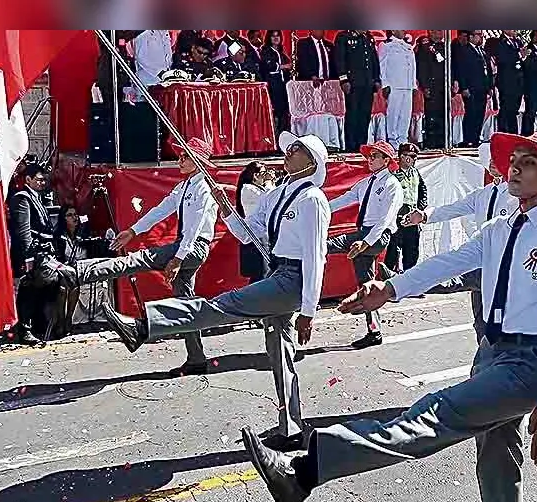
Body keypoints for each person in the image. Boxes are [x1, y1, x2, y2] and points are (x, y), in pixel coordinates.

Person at [242, 131, 537, 502]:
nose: (515, 167)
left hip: (531, 362)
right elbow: (448, 262)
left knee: (436, 413)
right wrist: (389, 289)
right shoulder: (501, 227)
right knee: (497, 467)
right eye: (515, 159)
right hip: (492, 353)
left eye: (529, 162)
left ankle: (304, 470)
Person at [101, 133, 332, 448]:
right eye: (289, 148)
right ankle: (290, 428)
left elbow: (316, 257)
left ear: (312, 163)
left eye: (297, 149)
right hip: (279, 272)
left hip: (293, 280)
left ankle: (145, 326)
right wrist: (224, 207)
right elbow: (247, 234)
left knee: (221, 305)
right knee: (280, 354)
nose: (288, 152)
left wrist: (309, 311)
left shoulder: (313, 200)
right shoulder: (277, 195)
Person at [68, 137, 218, 376]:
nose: (179, 159)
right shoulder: (184, 187)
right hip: (185, 247)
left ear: (198, 162)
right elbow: (160, 210)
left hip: (193, 247)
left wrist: (178, 258)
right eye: (180, 155)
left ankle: (79, 273)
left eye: (185, 156)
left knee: (140, 259)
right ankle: (196, 358)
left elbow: (194, 230)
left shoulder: (204, 189)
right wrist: (132, 231)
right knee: (186, 304)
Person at [403, 142, 515, 343]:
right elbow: (453, 208)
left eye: (497, 159)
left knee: (499, 319)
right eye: (490, 159)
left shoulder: (515, 194)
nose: (491, 163)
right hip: (482, 258)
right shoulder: (484, 193)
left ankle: (404, 283)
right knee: (480, 321)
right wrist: (424, 215)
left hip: (503, 266)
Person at [326, 141, 402, 349]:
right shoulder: (366, 183)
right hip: (365, 235)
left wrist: (365, 242)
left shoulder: (392, 185)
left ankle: (392, 276)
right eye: (370, 155)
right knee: (365, 287)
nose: (370, 159)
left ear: (386, 161)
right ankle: (374, 331)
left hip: (376, 236)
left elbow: (386, 221)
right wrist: (318, 207)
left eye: (375, 156)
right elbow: (343, 200)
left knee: (331, 244)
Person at [8, 163, 74, 345]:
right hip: (32, 253)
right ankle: (25, 329)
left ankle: (39, 326)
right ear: (28, 179)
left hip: (44, 252)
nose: (42, 183)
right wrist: (28, 257)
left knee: (42, 290)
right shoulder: (22, 198)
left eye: (44, 179)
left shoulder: (38, 197)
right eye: (38, 179)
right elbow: (23, 231)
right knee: (28, 292)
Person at [52, 206, 110, 338]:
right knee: (62, 288)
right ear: (64, 218)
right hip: (66, 269)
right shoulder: (59, 236)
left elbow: (92, 252)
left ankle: (68, 319)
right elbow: (58, 258)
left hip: (83, 268)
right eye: (70, 215)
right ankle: (62, 321)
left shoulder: (84, 233)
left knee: (74, 285)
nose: (74, 217)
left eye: (75, 214)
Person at [334, 30, 381, 152]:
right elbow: (340, 59)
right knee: (353, 115)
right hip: (353, 83)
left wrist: (376, 79)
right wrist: (343, 80)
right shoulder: (344, 37)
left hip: (367, 83)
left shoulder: (368, 37)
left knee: (365, 116)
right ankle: (351, 147)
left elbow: (373, 59)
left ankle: (361, 146)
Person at [384, 143, 428, 273]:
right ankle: (388, 281)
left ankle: (411, 281)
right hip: (398, 216)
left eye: (414, 156)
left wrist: (420, 207)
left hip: (413, 215)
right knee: (393, 250)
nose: (412, 159)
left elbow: (422, 190)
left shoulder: (415, 172)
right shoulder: (393, 173)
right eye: (409, 156)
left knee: (412, 250)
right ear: (401, 157)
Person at [235, 161, 274, 286]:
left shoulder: (259, 189)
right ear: (255, 175)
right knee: (260, 275)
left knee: (265, 274)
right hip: (255, 236)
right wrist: (269, 182)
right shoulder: (248, 189)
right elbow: (270, 199)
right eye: (263, 173)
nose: (266, 176)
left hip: (263, 235)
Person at [453, 30, 493, 148]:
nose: (480, 37)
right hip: (471, 88)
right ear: (471, 37)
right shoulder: (464, 51)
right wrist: (464, 87)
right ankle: (468, 139)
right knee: (471, 113)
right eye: (478, 35)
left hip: (482, 88)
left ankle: (476, 138)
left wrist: (489, 86)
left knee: (480, 114)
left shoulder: (482, 51)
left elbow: (488, 70)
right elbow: (461, 71)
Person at [378, 30, 417, 149]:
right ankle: (392, 140)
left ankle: (403, 139)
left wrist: (413, 85)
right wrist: (384, 84)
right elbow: (382, 65)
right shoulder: (386, 46)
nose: (404, 31)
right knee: (393, 114)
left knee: (405, 114)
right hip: (394, 84)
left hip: (407, 85)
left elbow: (413, 67)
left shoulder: (408, 47)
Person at [415, 30, 447, 150]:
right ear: (431, 32)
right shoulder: (425, 47)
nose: (441, 33)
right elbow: (422, 68)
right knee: (432, 115)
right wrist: (425, 86)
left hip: (444, 85)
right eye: (438, 30)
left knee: (444, 115)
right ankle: (431, 142)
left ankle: (442, 141)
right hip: (432, 86)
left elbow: (449, 65)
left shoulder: (445, 46)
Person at [491, 30, 527, 135]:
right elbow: (503, 59)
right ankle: (504, 131)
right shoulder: (500, 42)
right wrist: (519, 54)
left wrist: (523, 55)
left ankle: (513, 131)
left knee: (514, 107)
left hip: (518, 80)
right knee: (506, 107)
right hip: (506, 80)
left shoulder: (517, 41)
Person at [261, 30, 293, 134]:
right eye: (273, 36)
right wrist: (284, 66)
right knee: (277, 111)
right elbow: (268, 66)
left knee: (284, 111)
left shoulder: (281, 52)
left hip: (284, 85)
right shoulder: (266, 51)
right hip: (273, 86)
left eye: (278, 36)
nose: (276, 38)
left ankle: (284, 133)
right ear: (269, 38)